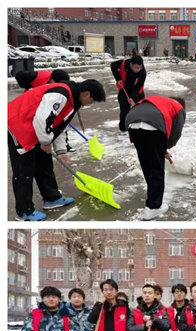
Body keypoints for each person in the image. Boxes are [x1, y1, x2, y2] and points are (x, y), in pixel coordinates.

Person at [8, 79, 106, 221]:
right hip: (17, 124)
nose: (90, 104)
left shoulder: (72, 100)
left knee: (44, 164)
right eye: (91, 101)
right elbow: (42, 119)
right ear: (86, 94)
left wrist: (60, 150)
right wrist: (46, 141)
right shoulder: (61, 94)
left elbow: (59, 125)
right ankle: (24, 212)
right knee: (24, 170)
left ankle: (52, 198)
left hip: (35, 128)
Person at [125, 95, 186, 220]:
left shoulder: (159, 102)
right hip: (153, 127)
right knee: (156, 169)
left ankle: (152, 200)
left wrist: (162, 150)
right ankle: (153, 208)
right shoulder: (179, 108)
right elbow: (176, 133)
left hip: (132, 122)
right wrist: (166, 147)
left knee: (147, 163)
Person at [111, 55, 146, 132]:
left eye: (140, 67)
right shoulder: (124, 64)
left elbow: (139, 86)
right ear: (131, 65)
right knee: (124, 109)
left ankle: (139, 128)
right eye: (136, 67)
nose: (138, 69)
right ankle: (123, 128)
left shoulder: (142, 72)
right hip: (124, 89)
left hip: (137, 91)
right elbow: (113, 66)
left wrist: (132, 97)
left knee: (140, 109)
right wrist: (118, 78)